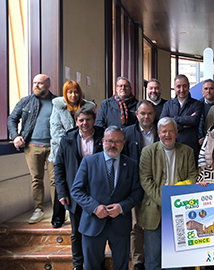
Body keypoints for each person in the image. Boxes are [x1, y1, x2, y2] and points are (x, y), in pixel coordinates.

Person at [71, 126, 143, 270]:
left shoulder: (131, 165)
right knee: (91, 266)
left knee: (121, 266)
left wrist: (121, 207)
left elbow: (137, 192)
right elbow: (76, 190)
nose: (113, 145)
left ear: (123, 143)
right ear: (103, 141)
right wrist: (94, 207)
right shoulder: (88, 162)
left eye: (117, 142)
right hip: (93, 223)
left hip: (120, 224)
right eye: (109, 141)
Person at [138, 117, 197, 270]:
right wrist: (166, 201)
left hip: (179, 211)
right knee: (152, 260)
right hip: (153, 210)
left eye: (171, 130)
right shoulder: (147, 152)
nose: (168, 134)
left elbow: (193, 177)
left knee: (174, 260)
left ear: (177, 132)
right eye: (164, 131)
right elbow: (146, 181)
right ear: (158, 133)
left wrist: (177, 202)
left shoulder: (187, 151)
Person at [55, 108, 104, 270]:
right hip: (75, 192)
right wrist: (62, 192)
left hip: (99, 192)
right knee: (76, 233)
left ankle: (96, 264)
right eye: (81, 120)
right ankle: (77, 265)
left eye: (88, 119)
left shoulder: (104, 137)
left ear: (94, 120)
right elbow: (59, 167)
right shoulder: (67, 139)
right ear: (76, 122)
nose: (85, 123)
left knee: (97, 233)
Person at [7, 74, 57, 224]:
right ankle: (39, 210)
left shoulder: (57, 102)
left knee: (55, 180)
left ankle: (58, 210)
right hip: (32, 147)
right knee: (37, 179)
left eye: (40, 83)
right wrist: (15, 136)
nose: (36, 85)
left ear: (48, 85)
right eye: (35, 83)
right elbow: (12, 118)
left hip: (54, 147)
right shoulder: (26, 101)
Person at [49, 80, 96, 228]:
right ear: (65, 93)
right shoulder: (58, 107)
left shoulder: (88, 107)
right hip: (64, 149)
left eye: (76, 91)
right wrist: (70, 143)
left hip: (84, 148)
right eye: (70, 92)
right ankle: (58, 217)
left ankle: (81, 214)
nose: (73, 95)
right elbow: (55, 130)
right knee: (62, 184)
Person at [123, 100, 158, 270]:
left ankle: (157, 257)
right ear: (136, 114)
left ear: (154, 114)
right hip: (134, 185)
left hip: (157, 184)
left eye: (150, 113)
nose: (146, 116)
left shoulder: (160, 132)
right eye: (143, 113)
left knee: (157, 223)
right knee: (135, 225)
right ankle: (138, 260)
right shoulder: (127, 133)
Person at [160, 74, 204, 161]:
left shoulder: (197, 104)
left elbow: (194, 120)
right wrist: (183, 124)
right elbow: (163, 123)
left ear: (188, 86)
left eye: (184, 86)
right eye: (178, 86)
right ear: (174, 88)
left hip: (190, 146)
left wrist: (173, 119)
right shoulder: (168, 105)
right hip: (171, 146)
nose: (182, 90)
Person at [198, 79, 214, 144]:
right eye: (206, 89)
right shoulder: (197, 105)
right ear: (202, 91)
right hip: (202, 140)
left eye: (211, 88)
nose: (208, 91)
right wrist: (200, 137)